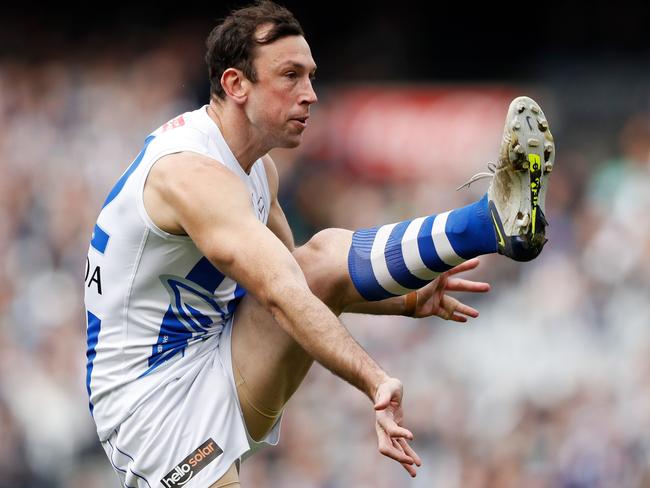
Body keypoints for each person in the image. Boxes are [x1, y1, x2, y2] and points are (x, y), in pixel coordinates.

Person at [83, 1, 555, 486]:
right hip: (151, 403)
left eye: (310, 76)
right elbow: (281, 295)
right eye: (290, 76)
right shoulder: (190, 173)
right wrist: (374, 379)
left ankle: (491, 222)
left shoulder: (255, 166)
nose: (310, 94)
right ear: (235, 84)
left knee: (317, 258)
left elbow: (303, 278)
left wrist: (406, 300)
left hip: (215, 352)